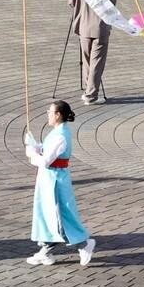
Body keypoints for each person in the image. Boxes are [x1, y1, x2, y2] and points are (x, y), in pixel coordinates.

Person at [25, 100, 96, 267]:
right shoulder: (58, 131)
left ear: (58, 115)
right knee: (48, 214)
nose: (48, 115)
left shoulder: (61, 136)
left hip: (55, 181)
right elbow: (46, 150)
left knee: (58, 216)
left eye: (50, 112)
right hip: (49, 179)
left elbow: (45, 161)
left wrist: (31, 152)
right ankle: (45, 252)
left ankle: (83, 244)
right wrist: (35, 145)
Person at [71, 0, 113, 105]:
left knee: (88, 60)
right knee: (97, 62)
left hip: (83, 27)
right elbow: (112, 4)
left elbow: (71, 2)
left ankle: (88, 91)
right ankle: (91, 95)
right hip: (101, 27)